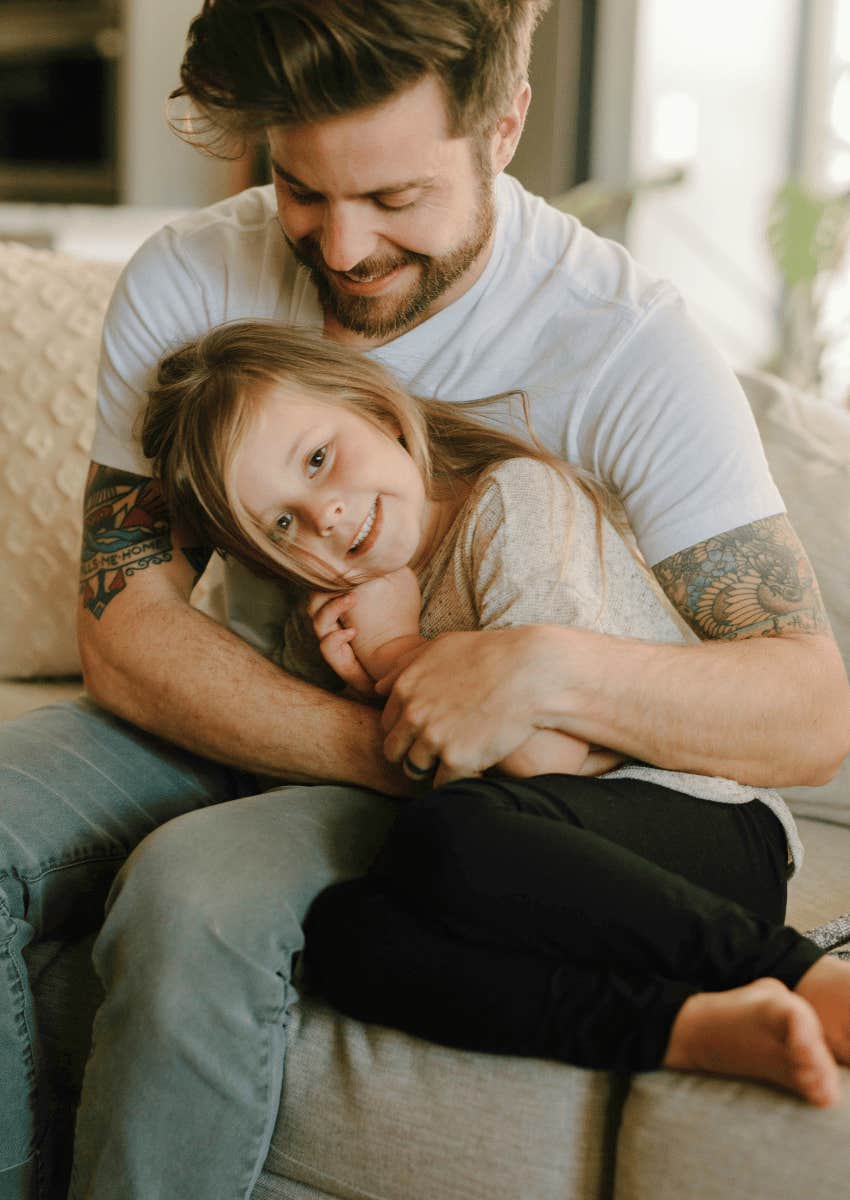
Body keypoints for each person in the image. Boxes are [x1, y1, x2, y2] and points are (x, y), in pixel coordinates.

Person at [0, 2, 844, 1198]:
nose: (340, 249)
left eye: (394, 200)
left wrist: (532, 675)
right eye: (300, 189)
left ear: (504, 127)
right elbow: (128, 630)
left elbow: (807, 712)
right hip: (302, 717)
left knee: (195, 895)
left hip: (528, 789)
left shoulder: (622, 346)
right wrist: (398, 738)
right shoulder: (186, 278)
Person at [140, 316, 850, 1106]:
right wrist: (364, 666)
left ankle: (803, 976)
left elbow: (543, 759)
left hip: (706, 826)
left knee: (445, 833)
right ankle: (689, 1027)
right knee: (345, 935)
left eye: (318, 459)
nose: (327, 518)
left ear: (376, 409)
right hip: (550, 863)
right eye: (282, 525)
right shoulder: (327, 622)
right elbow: (403, 777)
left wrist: (400, 653)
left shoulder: (512, 502)